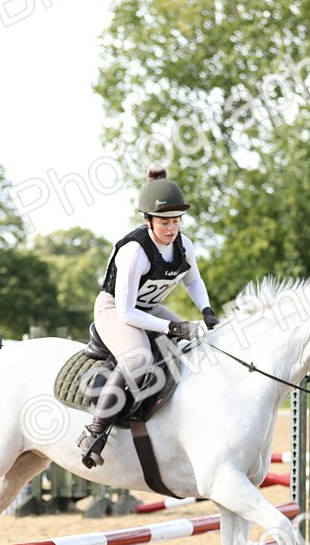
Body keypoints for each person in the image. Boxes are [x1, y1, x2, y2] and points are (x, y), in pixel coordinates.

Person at [77, 164, 220, 468]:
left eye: (176, 221)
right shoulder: (135, 251)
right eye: (164, 222)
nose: (171, 228)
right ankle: (94, 433)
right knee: (138, 358)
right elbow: (126, 311)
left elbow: (193, 281)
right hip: (114, 310)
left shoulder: (184, 245)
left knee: (195, 344)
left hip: (149, 307)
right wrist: (173, 327)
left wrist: (207, 312)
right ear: (147, 220)